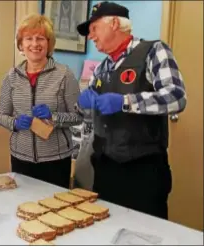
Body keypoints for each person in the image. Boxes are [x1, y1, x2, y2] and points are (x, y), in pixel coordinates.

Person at [75, 1, 187, 219]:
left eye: (94, 29)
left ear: (114, 23)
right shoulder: (100, 68)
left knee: (146, 234)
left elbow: (177, 96)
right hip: (105, 167)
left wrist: (125, 101)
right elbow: (88, 114)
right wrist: (83, 103)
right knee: (107, 229)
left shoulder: (154, 51)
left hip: (142, 171)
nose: (91, 36)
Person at [0, 14, 81, 189]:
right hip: (21, 158)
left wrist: (54, 117)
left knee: (56, 210)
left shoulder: (64, 74)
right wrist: (15, 123)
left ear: (49, 44)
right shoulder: (11, 77)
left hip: (56, 160)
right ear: (21, 44)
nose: (35, 44)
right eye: (29, 39)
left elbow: (79, 116)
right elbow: (0, 115)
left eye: (41, 38)